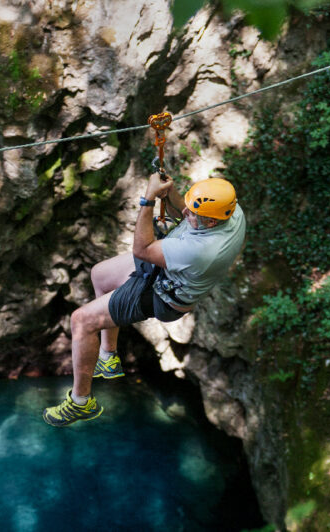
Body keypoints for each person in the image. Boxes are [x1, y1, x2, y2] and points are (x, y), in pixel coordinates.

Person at [42, 172, 246, 426]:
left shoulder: (202, 251)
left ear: (212, 223)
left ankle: (81, 403)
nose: (186, 215)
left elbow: (142, 250)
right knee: (100, 275)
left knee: (81, 320)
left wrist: (149, 200)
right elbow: (186, 210)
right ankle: (108, 357)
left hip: (163, 296)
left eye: (194, 215)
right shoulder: (232, 211)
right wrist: (170, 193)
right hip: (167, 272)